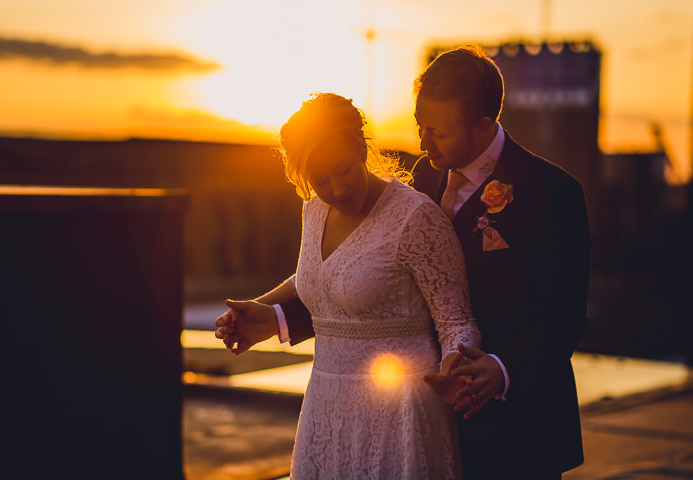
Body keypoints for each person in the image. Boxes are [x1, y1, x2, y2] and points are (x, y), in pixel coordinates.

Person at [218, 46, 591, 479]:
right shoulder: (425, 174)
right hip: (424, 408)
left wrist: (500, 368)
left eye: (439, 132)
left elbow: (564, 319)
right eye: (420, 126)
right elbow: (371, 275)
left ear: (483, 126)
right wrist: (276, 316)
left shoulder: (552, 193)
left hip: (516, 423)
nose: (422, 143)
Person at [218, 92, 480, 479]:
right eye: (320, 180)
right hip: (326, 406)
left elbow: (456, 319)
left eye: (343, 170)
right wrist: (263, 309)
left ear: (361, 148)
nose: (337, 190)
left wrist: (456, 367)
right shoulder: (314, 211)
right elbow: (322, 274)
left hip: (400, 414)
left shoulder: (416, 218)